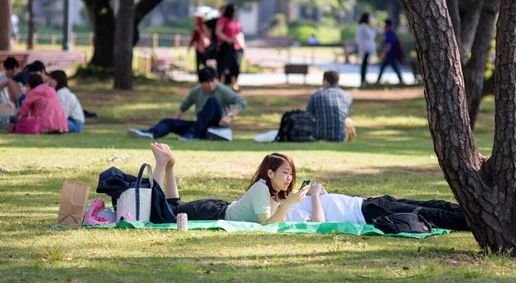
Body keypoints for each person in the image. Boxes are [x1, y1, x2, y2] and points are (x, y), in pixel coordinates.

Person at [149, 143, 308, 223]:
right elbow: (266, 224)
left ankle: (169, 167)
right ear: (270, 173)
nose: (289, 178)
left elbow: (275, 220)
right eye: (285, 172)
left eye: (291, 173)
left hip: (219, 208)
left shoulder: (275, 191)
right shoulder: (261, 188)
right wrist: (288, 204)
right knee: (160, 212)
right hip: (211, 213)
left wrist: (288, 201)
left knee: (172, 206)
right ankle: (161, 164)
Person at [286, 183, 469, 231]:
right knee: (428, 213)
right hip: (365, 212)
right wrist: (316, 195)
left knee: (429, 204)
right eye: (285, 173)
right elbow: (318, 222)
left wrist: (321, 193)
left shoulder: (292, 199)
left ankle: (471, 211)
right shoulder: (289, 213)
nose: (288, 179)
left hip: (367, 202)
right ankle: (475, 221)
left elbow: (326, 207)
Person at [127, 67, 246, 141]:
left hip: (216, 126)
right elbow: (184, 106)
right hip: (201, 126)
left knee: (212, 101)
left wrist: (229, 115)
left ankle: (193, 134)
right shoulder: (196, 91)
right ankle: (150, 133)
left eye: (213, 81)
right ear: (201, 83)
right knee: (169, 122)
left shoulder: (222, 90)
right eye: (207, 82)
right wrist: (176, 122)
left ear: (216, 80)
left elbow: (241, 101)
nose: (211, 85)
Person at [306, 71, 355, 142]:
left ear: (326, 82)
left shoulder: (316, 95)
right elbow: (345, 114)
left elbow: (308, 115)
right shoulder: (347, 96)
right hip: (340, 137)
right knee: (348, 121)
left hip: (318, 135)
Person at [215, 3, 244, 91]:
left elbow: (239, 34)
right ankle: (221, 84)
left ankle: (234, 84)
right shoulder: (223, 20)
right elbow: (218, 31)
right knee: (223, 66)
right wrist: (227, 39)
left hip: (235, 48)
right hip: (225, 47)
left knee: (235, 66)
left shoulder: (236, 22)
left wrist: (242, 45)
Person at [375, 19, 405, 86]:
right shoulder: (391, 33)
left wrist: (383, 53)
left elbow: (388, 45)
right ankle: (378, 81)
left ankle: (401, 80)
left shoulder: (389, 33)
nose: (383, 26)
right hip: (390, 55)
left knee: (393, 68)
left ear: (387, 25)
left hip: (390, 55)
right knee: (384, 68)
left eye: (384, 25)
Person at [355, 13, 377, 88]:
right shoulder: (364, 27)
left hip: (363, 48)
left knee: (364, 65)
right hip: (366, 48)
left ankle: (363, 80)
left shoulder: (361, 27)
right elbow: (371, 36)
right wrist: (374, 28)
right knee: (364, 65)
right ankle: (363, 81)